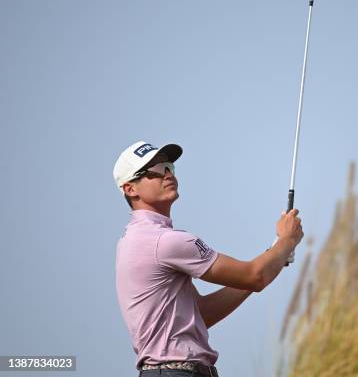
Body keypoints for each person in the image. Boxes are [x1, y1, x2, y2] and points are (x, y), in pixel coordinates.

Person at [113, 141, 303, 377]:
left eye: (169, 167)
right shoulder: (164, 241)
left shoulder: (136, 238)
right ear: (131, 189)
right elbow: (255, 276)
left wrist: (274, 254)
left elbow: (202, 313)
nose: (168, 174)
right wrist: (287, 240)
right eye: (156, 170)